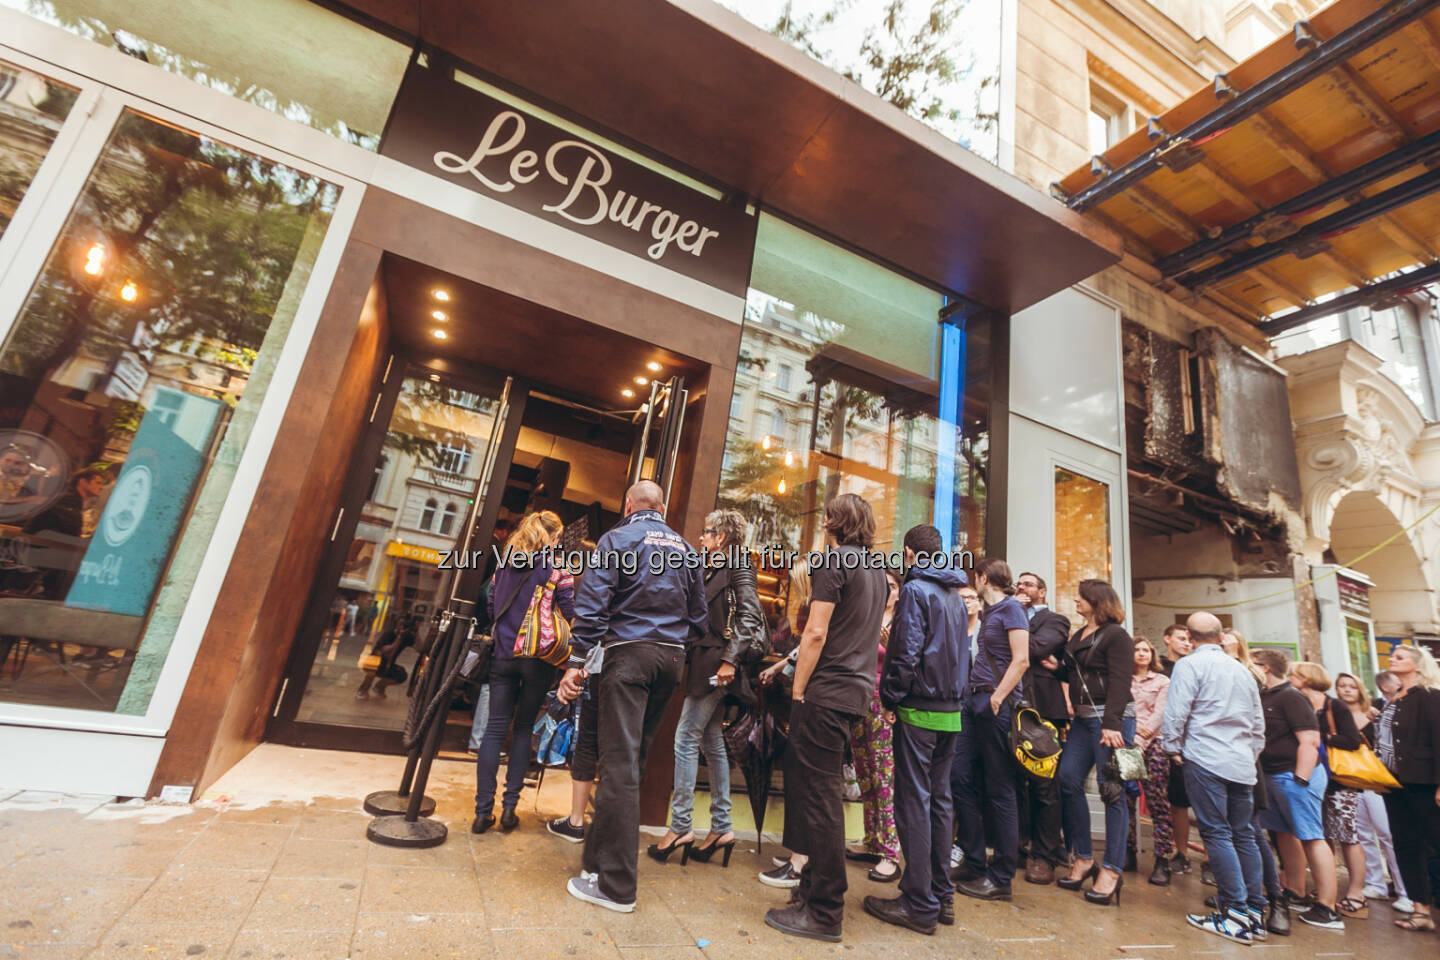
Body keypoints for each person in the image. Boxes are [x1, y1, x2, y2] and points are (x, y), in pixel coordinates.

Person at [558, 481, 706, 913]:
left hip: (628, 657)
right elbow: (699, 618)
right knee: (631, 763)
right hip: (670, 660)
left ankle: (617, 887)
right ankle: (597, 863)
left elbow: (591, 606)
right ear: (661, 508)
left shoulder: (617, 539)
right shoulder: (683, 549)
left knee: (618, 764)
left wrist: (576, 661)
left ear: (628, 507)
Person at [762, 494, 888, 943]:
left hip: (827, 691)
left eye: (826, 518)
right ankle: (813, 891)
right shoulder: (878, 572)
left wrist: (798, 690)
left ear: (834, 523)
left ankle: (824, 910)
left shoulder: (834, 563)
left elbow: (815, 631)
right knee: (821, 793)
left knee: (818, 799)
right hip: (854, 692)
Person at [863, 524, 968, 935]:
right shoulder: (955, 594)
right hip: (951, 711)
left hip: (919, 709)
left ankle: (919, 903)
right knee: (940, 803)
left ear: (908, 553)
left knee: (913, 804)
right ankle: (941, 898)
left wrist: (890, 698)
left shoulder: (915, 590)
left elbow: (905, 653)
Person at [651, 509, 763, 867]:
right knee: (711, 740)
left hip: (718, 664)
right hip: (705, 660)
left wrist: (730, 660)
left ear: (723, 537)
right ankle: (722, 827)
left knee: (685, 738)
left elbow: (749, 615)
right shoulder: (710, 567)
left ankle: (681, 826)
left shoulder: (738, 565)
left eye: (707, 532)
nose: (701, 537)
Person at [1161, 611, 1267, 945]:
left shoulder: (1189, 665)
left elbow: (1178, 710)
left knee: (1217, 833)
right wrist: (1250, 755)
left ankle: (1234, 914)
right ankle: (1254, 913)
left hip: (1206, 757)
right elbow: (1258, 724)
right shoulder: (1243, 670)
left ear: (1189, 638)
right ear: (1220, 637)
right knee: (1244, 835)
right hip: (1241, 762)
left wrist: (1172, 747)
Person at [472, 511, 573, 834]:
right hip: (538, 658)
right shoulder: (558, 566)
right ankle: (509, 811)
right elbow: (571, 613)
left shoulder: (505, 563)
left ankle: (482, 812)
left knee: (494, 729)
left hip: (502, 653)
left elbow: (489, 606)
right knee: (524, 728)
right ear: (554, 537)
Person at [952, 557, 1029, 902]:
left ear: (983, 578)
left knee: (1000, 789)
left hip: (995, 704)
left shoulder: (1012, 609)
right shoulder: (989, 614)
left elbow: (1022, 658)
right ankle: (973, 860)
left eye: (975, 578)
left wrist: (998, 698)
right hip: (973, 702)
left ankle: (1001, 878)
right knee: (958, 776)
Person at [1250, 647, 1345, 930]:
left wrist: (1300, 779)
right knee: (1284, 835)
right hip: (1272, 776)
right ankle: (1296, 891)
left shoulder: (1291, 696)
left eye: (1250, 663)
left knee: (1311, 836)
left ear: (1264, 668)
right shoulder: (1263, 696)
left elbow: (1310, 740)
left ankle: (1327, 906)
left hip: (1294, 776)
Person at [1055, 579, 1135, 906]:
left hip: (1110, 719)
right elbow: (1076, 674)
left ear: (1096, 600)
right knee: (1067, 778)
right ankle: (1084, 858)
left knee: (1111, 791)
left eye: (1081, 596)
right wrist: (1056, 668)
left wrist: (1113, 724)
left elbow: (1120, 679)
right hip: (1083, 718)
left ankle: (1113, 869)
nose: (1075, 599)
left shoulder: (1116, 635)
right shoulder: (1079, 635)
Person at [1288, 661, 1369, 918]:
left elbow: (1353, 740)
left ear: (1307, 679)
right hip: (1316, 777)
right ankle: (1327, 889)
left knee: (1348, 836)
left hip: (1340, 781)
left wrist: (1320, 737)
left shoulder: (1335, 706)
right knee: (1323, 835)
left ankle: (1356, 892)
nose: (1291, 677)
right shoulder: (1300, 703)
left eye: (1295, 674)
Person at [844, 567, 902, 883]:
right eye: (884, 585)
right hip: (859, 698)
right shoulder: (866, 614)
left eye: (892, 585)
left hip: (884, 704)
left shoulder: (901, 621)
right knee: (864, 774)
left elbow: (906, 661)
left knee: (883, 777)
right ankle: (871, 841)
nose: (888, 590)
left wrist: (890, 640)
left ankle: (890, 852)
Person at [1377, 643, 1440, 933]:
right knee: (1405, 844)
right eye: (1393, 656)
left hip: (1424, 781)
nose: (1393, 659)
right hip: (1395, 783)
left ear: (1416, 665)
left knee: (1435, 840)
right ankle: (1421, 910)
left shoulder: (1428, 696)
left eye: (1400, 657)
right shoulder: (1394, 698)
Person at [1337, 672, 1413, 912]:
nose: (1347, 690)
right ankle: (1375, 883)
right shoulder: (1334, 716)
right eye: (1342, 686)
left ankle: (1406, 891)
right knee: (1361, 835)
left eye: (1352, 686)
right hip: (1350, 779)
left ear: (1361, 689)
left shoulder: (1376, 713)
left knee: (1388, 835)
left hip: (1376, 780)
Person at [1014, 571, 1072, 885]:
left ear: (1042, 591)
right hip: (1012, 708)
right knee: (1014, 784)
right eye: (1018, 583)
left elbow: (1036, 648)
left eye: (1027, 584)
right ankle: (1019, 846)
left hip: (1044, 712)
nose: (1020, 587)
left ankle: (1045, 855)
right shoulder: (1009, 612)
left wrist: (1012, 628)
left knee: (1044, 786)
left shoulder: (1056, 620)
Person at [1128, 636, 1176, 886]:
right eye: (1136, 650)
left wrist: (1143, 739)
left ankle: (1162, 859)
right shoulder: (1123, 680)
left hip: (1154, 742)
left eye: (1146, 650)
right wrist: (1134, 736)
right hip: (1129, 742)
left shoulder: (1162, 680)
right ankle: (1127, 851)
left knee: (1158, 801)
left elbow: (1161, 711)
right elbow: (1122, 709)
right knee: (1125, 799)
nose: (1142, 654)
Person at [1158, 623, 1195, 874]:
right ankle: (1181, 853)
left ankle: (1210, 859)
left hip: (1192, 740)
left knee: (1204, 804)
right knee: (1176, 801)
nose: (1186, 643)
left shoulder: (1194, 667)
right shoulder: (1158, 668)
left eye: (1189, 640)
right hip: (1164, 740)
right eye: (1181, 638)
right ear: (1167, 638)